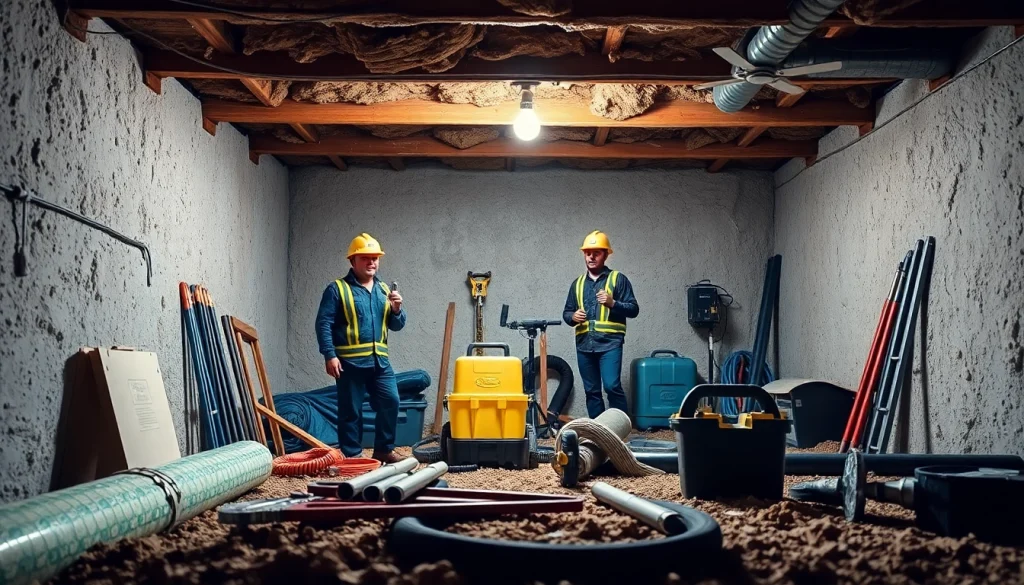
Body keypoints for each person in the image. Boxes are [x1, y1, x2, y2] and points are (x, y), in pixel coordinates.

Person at [315, 232, 407, 463]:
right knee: (351, 412)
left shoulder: (384, 290)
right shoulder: (337, 289)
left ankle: (384, 450)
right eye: (365, 257)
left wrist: (397, 310)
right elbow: (323, 323)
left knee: (391, 401)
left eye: (375, 257)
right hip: (349, 364)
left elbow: (396, 325)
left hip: (380, 363)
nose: (371, 262)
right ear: (352, 261)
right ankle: (352, 455)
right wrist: (329, 355)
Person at [562, 230, 640, 418]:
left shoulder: (618, 280)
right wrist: (573, 317)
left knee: (612, 386)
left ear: (605, 255)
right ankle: (599, 432)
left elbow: (634, 309)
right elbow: (566, 313)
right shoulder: (578, 284)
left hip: (610, 344)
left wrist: (613, 303)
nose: (591, 256)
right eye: (588, 253)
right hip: (584, 346)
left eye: (596, 252)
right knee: (592, 391)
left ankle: (620, 429)